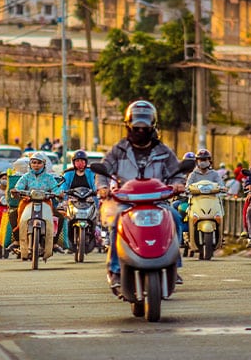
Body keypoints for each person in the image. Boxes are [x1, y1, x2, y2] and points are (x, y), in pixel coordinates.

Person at [95, 100, 185, 289]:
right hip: (127, 203)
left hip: (158, 202)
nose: (141, 131)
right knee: (115, 223)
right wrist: (102, 187)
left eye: (145, 127)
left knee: (175, 217)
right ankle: (115, 270)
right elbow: (103, 170)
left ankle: (174, 266)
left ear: (153, 126)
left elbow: (176, 172)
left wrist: (178, 184)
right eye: (137, 127)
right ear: (128, 126)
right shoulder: (118, 150)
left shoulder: (164, 151)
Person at [10, 151, 63, 260]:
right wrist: (16, 191)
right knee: (13, 214)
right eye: (33, 163)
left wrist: (59, 193)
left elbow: (56, 189)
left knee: (60, 217)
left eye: (39, 163)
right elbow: (18, 187)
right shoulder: (26, 177)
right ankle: (17, 240)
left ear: (44, 164)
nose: (36, 165)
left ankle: (53, 242)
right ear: (30, 164)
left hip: (45, 202)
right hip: (27, 202)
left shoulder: (49, 178)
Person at [61, 150, 97, 251]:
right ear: (73, 162)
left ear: (86, 162)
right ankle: (69, 241)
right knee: (67, 219)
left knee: (95, 218)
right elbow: (64, 187)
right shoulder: (68, 174)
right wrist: (63, 196)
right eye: (77, 161)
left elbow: (95, 185)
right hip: (73, 201)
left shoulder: (91, 173)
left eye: (82, 161)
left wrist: (96, 192)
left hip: (88, 200)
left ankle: (94, 236)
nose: (80, 163)